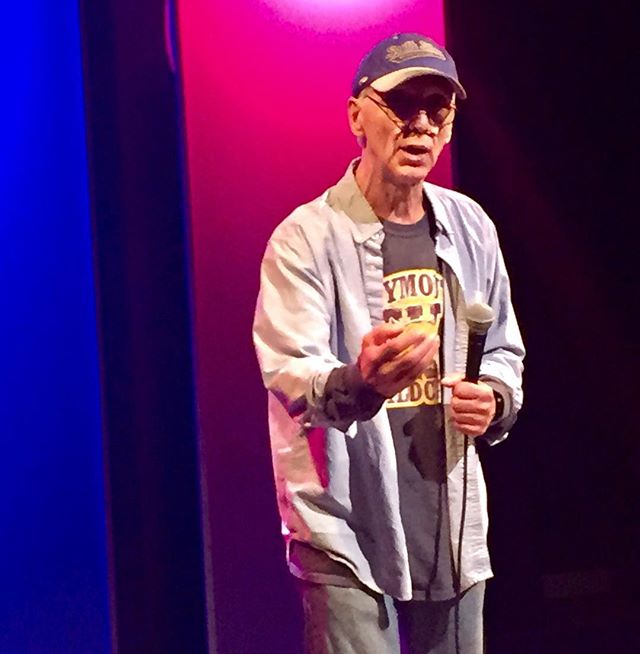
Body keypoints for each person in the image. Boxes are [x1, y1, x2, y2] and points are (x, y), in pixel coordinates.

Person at [253, 32, 524, 654]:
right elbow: (291, 370)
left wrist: (495, 399)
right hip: (344, 520)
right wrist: (362, 381)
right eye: (403, 106)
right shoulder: (305, 238)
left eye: (438, 109)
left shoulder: (470, 226)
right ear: (356, 115)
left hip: (447, 513)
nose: (421, 125)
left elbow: (505, 346)